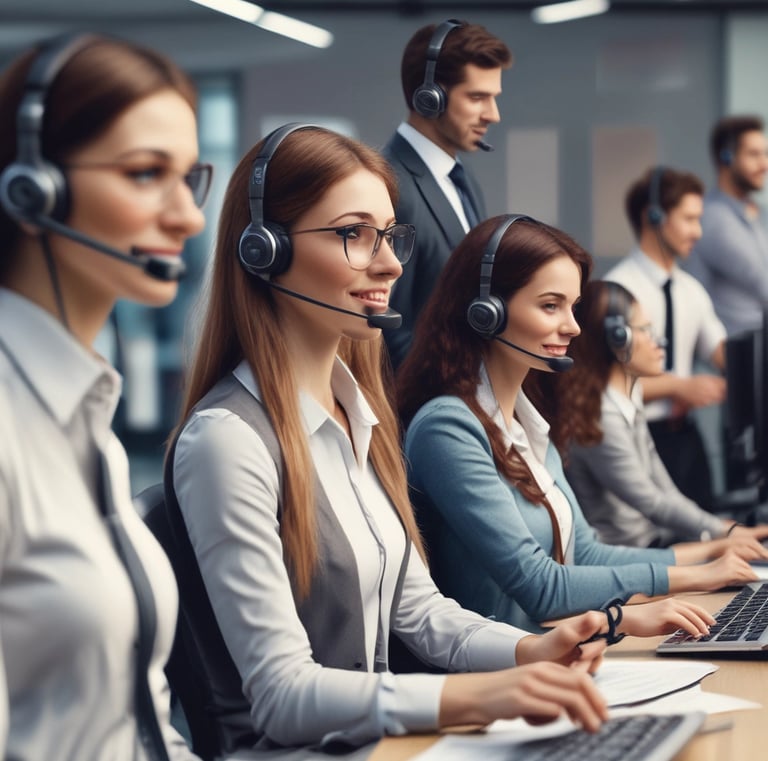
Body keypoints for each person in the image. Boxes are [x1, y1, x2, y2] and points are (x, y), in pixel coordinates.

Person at [166, 124, 624, 759]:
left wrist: (530, 652)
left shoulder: (360, 417)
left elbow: (420, 612)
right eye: (353, 234)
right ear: (263, 249)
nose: (391, 263)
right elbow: (281, 693)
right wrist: (488, 696)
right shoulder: (229, 442)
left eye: (389, 235)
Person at [0, 32, 212, 760]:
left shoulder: (88, 412)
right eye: (147, 173)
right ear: (32, 187)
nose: (189, 216)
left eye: (190, 178)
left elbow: (137, 725)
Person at [396, 213, 755, 635]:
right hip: (503, 675)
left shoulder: (527, 423)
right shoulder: (447, 429)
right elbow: (540, 586)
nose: (573, 327)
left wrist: (710, 561)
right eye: (551, 306)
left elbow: (586, 553)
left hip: (562, 650)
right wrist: (694, 577)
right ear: (485, 312)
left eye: (573, 306)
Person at [562, 279, 768, 553]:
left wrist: (722, 529)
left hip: (654, 542)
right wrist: (723, 531)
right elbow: (651, 502)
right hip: (628, 555)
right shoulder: (599, 415)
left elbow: (665, 489)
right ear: (616, 338)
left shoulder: (627, 397)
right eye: (645, 330)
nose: (659, 341)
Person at [382, 19, 512, 370]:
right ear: (429, 98)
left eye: (493, 98)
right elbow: (384, 325)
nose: (493, 115)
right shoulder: (389, 186)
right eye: (477, 98)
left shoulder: (463, 178)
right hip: (420, 407)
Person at [604, 166, 726, 509]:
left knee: (710, 529)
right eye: (689, 219)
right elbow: (603, 384)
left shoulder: (692, 290)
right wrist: (679, 386)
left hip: (685, 436)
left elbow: (721, 353)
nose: (697, 232)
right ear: (653, 217)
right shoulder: (619, 292)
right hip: (636, 436)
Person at [686, 115, 768, 335]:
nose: (764, 164)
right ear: (726, 158)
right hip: (733, 359)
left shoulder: (755, 213)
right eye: (754, 155)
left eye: (765, 154)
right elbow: (762, 280)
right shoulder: (714, 218)